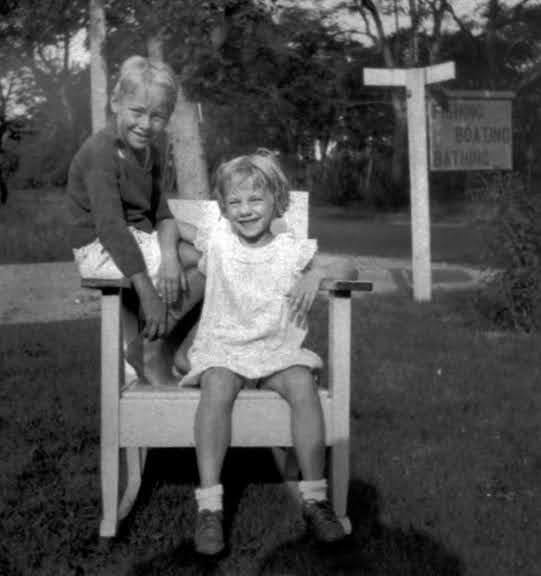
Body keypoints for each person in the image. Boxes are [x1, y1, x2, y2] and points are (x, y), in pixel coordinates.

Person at [174, 149, 358, 555]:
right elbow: (171, 229)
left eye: (255, 200)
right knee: (217, 385)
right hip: (224, 346)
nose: (245, 210)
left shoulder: (291, 250)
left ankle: (314, 498)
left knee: (301, 383)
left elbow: (348, 267)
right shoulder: (219, 239)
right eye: (234, 202)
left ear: (277, 198)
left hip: (276, 350)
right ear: (222, 208)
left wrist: (318, 273)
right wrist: (172, 260)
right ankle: (209, 506)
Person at [66, 55, 204, 386]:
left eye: (157, 116)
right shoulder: (101, 152)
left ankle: (183, 351)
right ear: (116, 103)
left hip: (136, 241)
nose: (146, 124)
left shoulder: (150, 154)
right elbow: (111, 227)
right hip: (101, 247)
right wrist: (149, 294)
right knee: (208, 265)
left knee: (209, 261)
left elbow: (162, 215)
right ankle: (149, 350)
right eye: (137, 112)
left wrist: (170, 258)